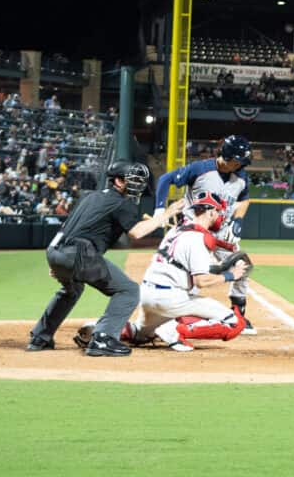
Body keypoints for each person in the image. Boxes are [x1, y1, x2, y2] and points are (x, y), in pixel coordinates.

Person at [25, 161, 179, 356]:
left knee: (72, 289)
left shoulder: (90, 197)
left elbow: (71, 226)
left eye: (140, 181)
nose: (138, 185)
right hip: (78, 253)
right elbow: (137, 233)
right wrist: (166, 214)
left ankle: (40, 337)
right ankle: (103, 339)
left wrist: (61, 261)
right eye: (132, 181)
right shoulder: (122, 203)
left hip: (56, 249)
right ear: (117, 181)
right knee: (128, 290)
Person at [156, 134, 255, 327]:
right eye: (237, 161)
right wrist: (160, 209)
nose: (241, 165)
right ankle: (178, 314)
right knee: (193, 273)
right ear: (226, 156)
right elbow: (166, 179)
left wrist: (237, 221)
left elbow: (244, 200)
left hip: (222, 231)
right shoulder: (200, 169)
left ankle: (238, 312)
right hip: (195, 231)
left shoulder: (241, 176)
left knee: (243, 265)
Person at [123, 195, 245, 350]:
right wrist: (230, 275)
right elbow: (201, 281)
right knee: (234, 323)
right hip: (170, 299)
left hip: (146, 295)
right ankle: (175, 330)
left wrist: (222, 254)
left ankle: (108, 330)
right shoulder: (198, 238)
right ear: (211, 212)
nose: (220, 216)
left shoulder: (176, 230)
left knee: (140, 334)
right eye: (219, 212)